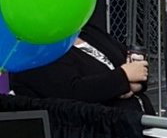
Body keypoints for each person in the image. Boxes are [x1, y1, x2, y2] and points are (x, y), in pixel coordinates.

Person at [9, 21, 152, 113]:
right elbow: (72, 92)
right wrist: (123, 78)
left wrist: (134, 84)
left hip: (141, 127)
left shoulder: (88, 30)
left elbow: (135, 65)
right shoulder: (38, 52)